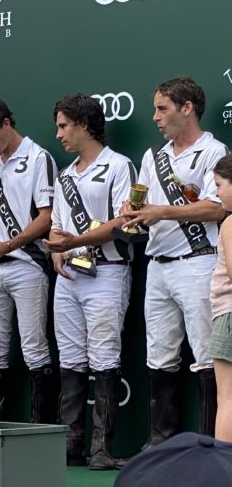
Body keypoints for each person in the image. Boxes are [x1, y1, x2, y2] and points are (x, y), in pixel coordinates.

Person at [121, 76, 228, 446]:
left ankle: (207, 445)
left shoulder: (214, 151)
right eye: (154, 109)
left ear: (187, 109)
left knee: (205, 357)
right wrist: (131, 211)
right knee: (159, 356)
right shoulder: (153, 156)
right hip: (157, 264)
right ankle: (160, 444)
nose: (155, 117)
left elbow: (217, 208)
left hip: (198, 262)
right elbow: (142, 201)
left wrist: (161, 211)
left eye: (162, 108)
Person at [43, 94, 135, 469]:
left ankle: (101, 448)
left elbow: (123, 223)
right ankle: (71, 442)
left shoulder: (118, 166)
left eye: (64, 126)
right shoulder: (66, 174)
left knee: (104, 357)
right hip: (70, 277)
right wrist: (55, 251)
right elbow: (57, 225)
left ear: (84, 124)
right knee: (71, 359)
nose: (60, 134)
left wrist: (73, 242)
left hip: (108, 273)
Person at [0, 95, 57, 424]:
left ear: (7, 124)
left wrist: (10, 244)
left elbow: (47, 218)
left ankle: (40, 431)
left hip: (28, 265)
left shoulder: (38, 157)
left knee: (34, 348)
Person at [211, 155, 232, 441]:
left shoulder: (230, 223)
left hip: (228, 314)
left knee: (227, 397)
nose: (216, 192)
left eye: (219, 184)